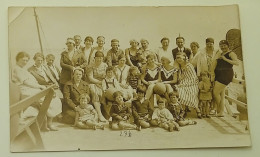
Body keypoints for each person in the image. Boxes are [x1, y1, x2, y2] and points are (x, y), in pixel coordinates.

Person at [12, 51, 62, 131]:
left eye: (26, 60)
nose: (25, 62)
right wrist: (40, 87)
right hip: (25, 91)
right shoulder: (17, 69)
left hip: (32, 89)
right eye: (23, 60)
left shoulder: (22, 69)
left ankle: (47, 123)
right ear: (18, 59)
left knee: (53, 98)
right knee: (51, 99)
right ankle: (47, 124)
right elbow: (26, 82)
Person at [211, 40, 239, 117]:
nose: (223, 47)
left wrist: (225, 59)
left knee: (215, 93)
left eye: (224, 45)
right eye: (221, 45)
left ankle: (220, 110)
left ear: (228, 45)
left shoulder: (231, 53)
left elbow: (237, 63)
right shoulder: (221, 53)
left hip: (226, 75)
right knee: (222, 95)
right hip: (219, 75)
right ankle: (221, 112)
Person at [174, 52, 201, 118]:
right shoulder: (178, 67)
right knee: (179, 91)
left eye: (180, 58)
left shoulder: (189, 66)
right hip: (183, 84)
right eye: (177, 58)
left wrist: (183, 84)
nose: (179, 59)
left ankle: (197, 109)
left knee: (191, 91)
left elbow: (193, 78)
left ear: (184, 58)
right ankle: (183, 110)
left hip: (192, 83)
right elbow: (179, 79)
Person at [87, 51, 108, 122]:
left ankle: (108, 114)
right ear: (94, 58)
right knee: (95, 93)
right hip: (93, 83)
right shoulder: (90, 66)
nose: (99, 59)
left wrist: (103, 82)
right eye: (97, 58)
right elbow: (90, 78)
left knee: (106, 93)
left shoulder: (105, 65)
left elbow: (107, 75)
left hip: (103, 83)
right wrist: (99, 82)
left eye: (101, 58)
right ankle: (99, 115)